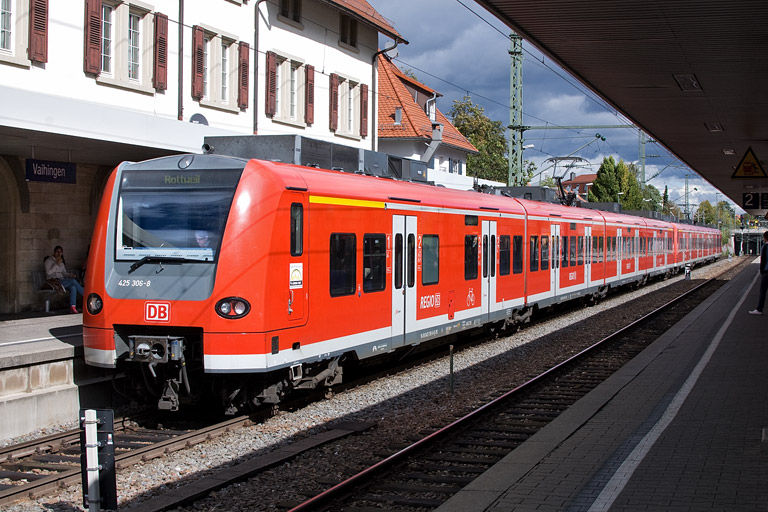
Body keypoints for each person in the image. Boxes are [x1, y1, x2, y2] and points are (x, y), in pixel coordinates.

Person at [45, 245, 84, 313]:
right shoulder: (49, 261)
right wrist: (56, 264)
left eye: (60, 252)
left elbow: (64, 273)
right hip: (53, 282)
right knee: (73, 281)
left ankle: (73, 306)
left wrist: (70, 274)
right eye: (57, 252)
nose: (59, 253)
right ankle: (85, 295)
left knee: (73, 287)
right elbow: (48, 273)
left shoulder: (61, 262)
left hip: (61, 281)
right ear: (54, 252)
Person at [748, 230, 768, 315]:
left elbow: (763, 259)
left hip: (767, 272)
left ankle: (759, 309)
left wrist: (761, 270)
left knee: (763, 291)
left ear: (765, 238)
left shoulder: (765, 246)